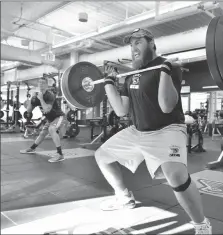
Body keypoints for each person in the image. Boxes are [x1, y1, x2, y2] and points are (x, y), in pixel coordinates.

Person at [95, 28, 212, 234]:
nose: (133, 49)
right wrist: (108, 84)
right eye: (131, 45)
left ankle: (201, 224)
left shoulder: (168, 66)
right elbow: (122, 110)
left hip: (167, 129)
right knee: (102, 156)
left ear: (151, 43)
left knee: (175, 176)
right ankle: (124, 196)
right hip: (138, 131)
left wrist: (165, 71)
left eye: (138, 43)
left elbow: (166, 106)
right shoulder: (131, 74)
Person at [20, 77, 69, 163]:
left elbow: (47, 110)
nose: (41, 85)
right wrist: (31, 101)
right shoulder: (36, 96)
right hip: (50, 119)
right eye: (39, 83)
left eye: (43, 83)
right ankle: (32, 148)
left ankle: (60, 154)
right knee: (42, 133)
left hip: (59, 117)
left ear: (46, 85)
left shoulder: (50, 95)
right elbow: (28, 110)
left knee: (51, 129)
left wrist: (41, 99)